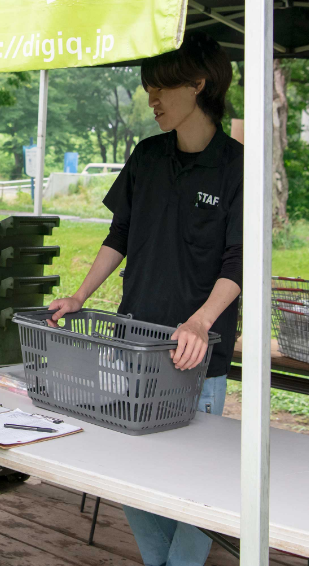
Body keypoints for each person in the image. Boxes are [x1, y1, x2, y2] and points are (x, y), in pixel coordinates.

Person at [48, 32, 243, 566]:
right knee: (132, 470)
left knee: (198, 484)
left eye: (161, 88)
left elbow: (238, 262)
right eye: (148, 88)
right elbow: (120, 234)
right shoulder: (147, 155)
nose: (151, 100)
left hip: (195, 353)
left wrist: (201, 323)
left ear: (199, 85)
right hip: (131, 344)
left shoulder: (236, 167)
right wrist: (80, 295)